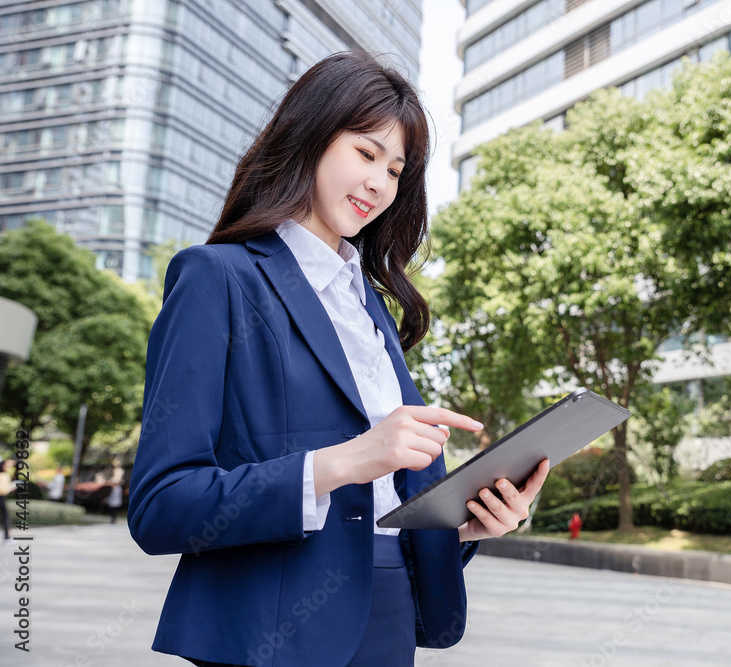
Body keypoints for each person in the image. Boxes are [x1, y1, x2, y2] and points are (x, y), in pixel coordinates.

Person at [127, 51, 549, 667]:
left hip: (388, 619)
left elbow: (373, 512)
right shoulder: (218, 279)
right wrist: (344, 461)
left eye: (397, 169)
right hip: (267, 638)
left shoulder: (370, 307)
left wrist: (462, 527)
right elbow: (162, 504)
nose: (381, 184)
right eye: (367, 153)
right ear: (311, 137)